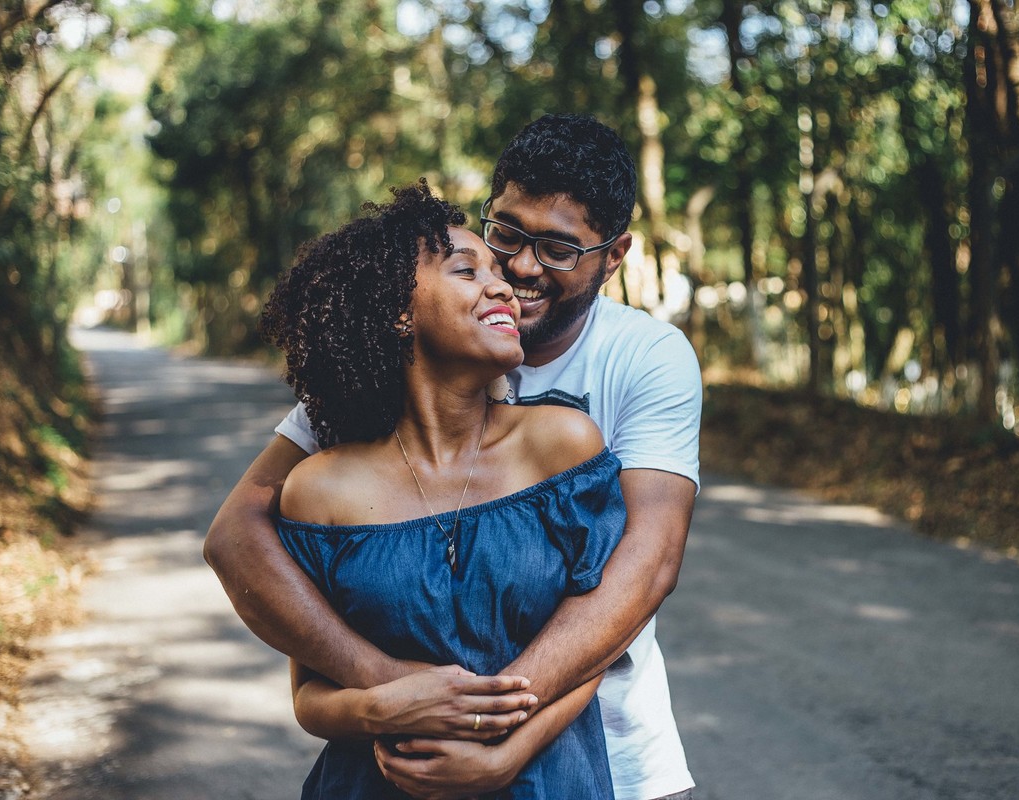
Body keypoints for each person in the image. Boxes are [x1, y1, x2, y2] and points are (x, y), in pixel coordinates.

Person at [205, 113, 702, 800]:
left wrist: (498, 737)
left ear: (611, 258)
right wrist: (394, 693)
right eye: (505, 237)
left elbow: (642, 572)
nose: (519, 270)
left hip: (605, 752)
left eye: (559, 249)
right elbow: (237, 537)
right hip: (394, 767)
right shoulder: (361, 407)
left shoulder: (639, 364)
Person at [260, 181, 623, 798]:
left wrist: (504, 746)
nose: (504, 284)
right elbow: (310, 697)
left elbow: (597, 647)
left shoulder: (563, 447)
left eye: (496, 271)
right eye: (466, 270)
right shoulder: (319, 489)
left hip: (545, 781)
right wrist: (386, 708)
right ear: (399, 311)